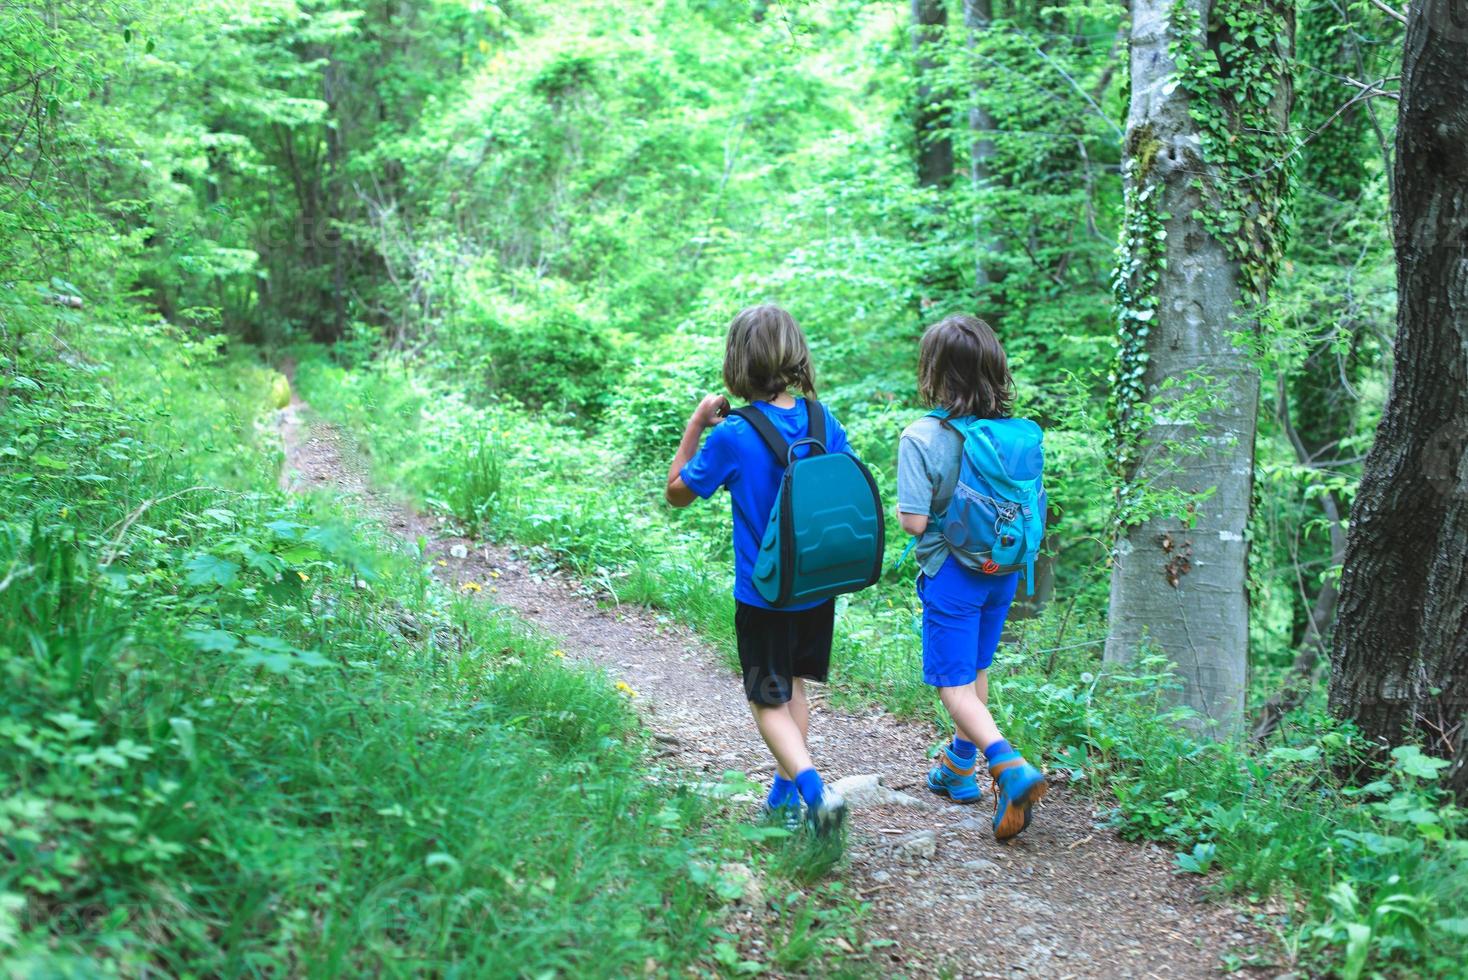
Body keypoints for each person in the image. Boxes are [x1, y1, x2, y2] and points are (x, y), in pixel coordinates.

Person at [665, 304, 850, 835]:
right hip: (816, 586)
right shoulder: (823, 419)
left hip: (765, 593)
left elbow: (677, 493)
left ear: (738, 361)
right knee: (792, 686)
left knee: (765, 698)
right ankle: (781, 798)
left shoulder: (733, 435)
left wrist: (698, 424)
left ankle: (816, 793)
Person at [896, 314, 1048, 840]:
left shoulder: (921, 436)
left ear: (934, 372)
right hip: (1002, 569)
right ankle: (960, 767)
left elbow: (915, 522)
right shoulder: (1014, 436)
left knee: (952, 684)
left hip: (952, 573)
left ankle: (1009, 766)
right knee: (977, 668)